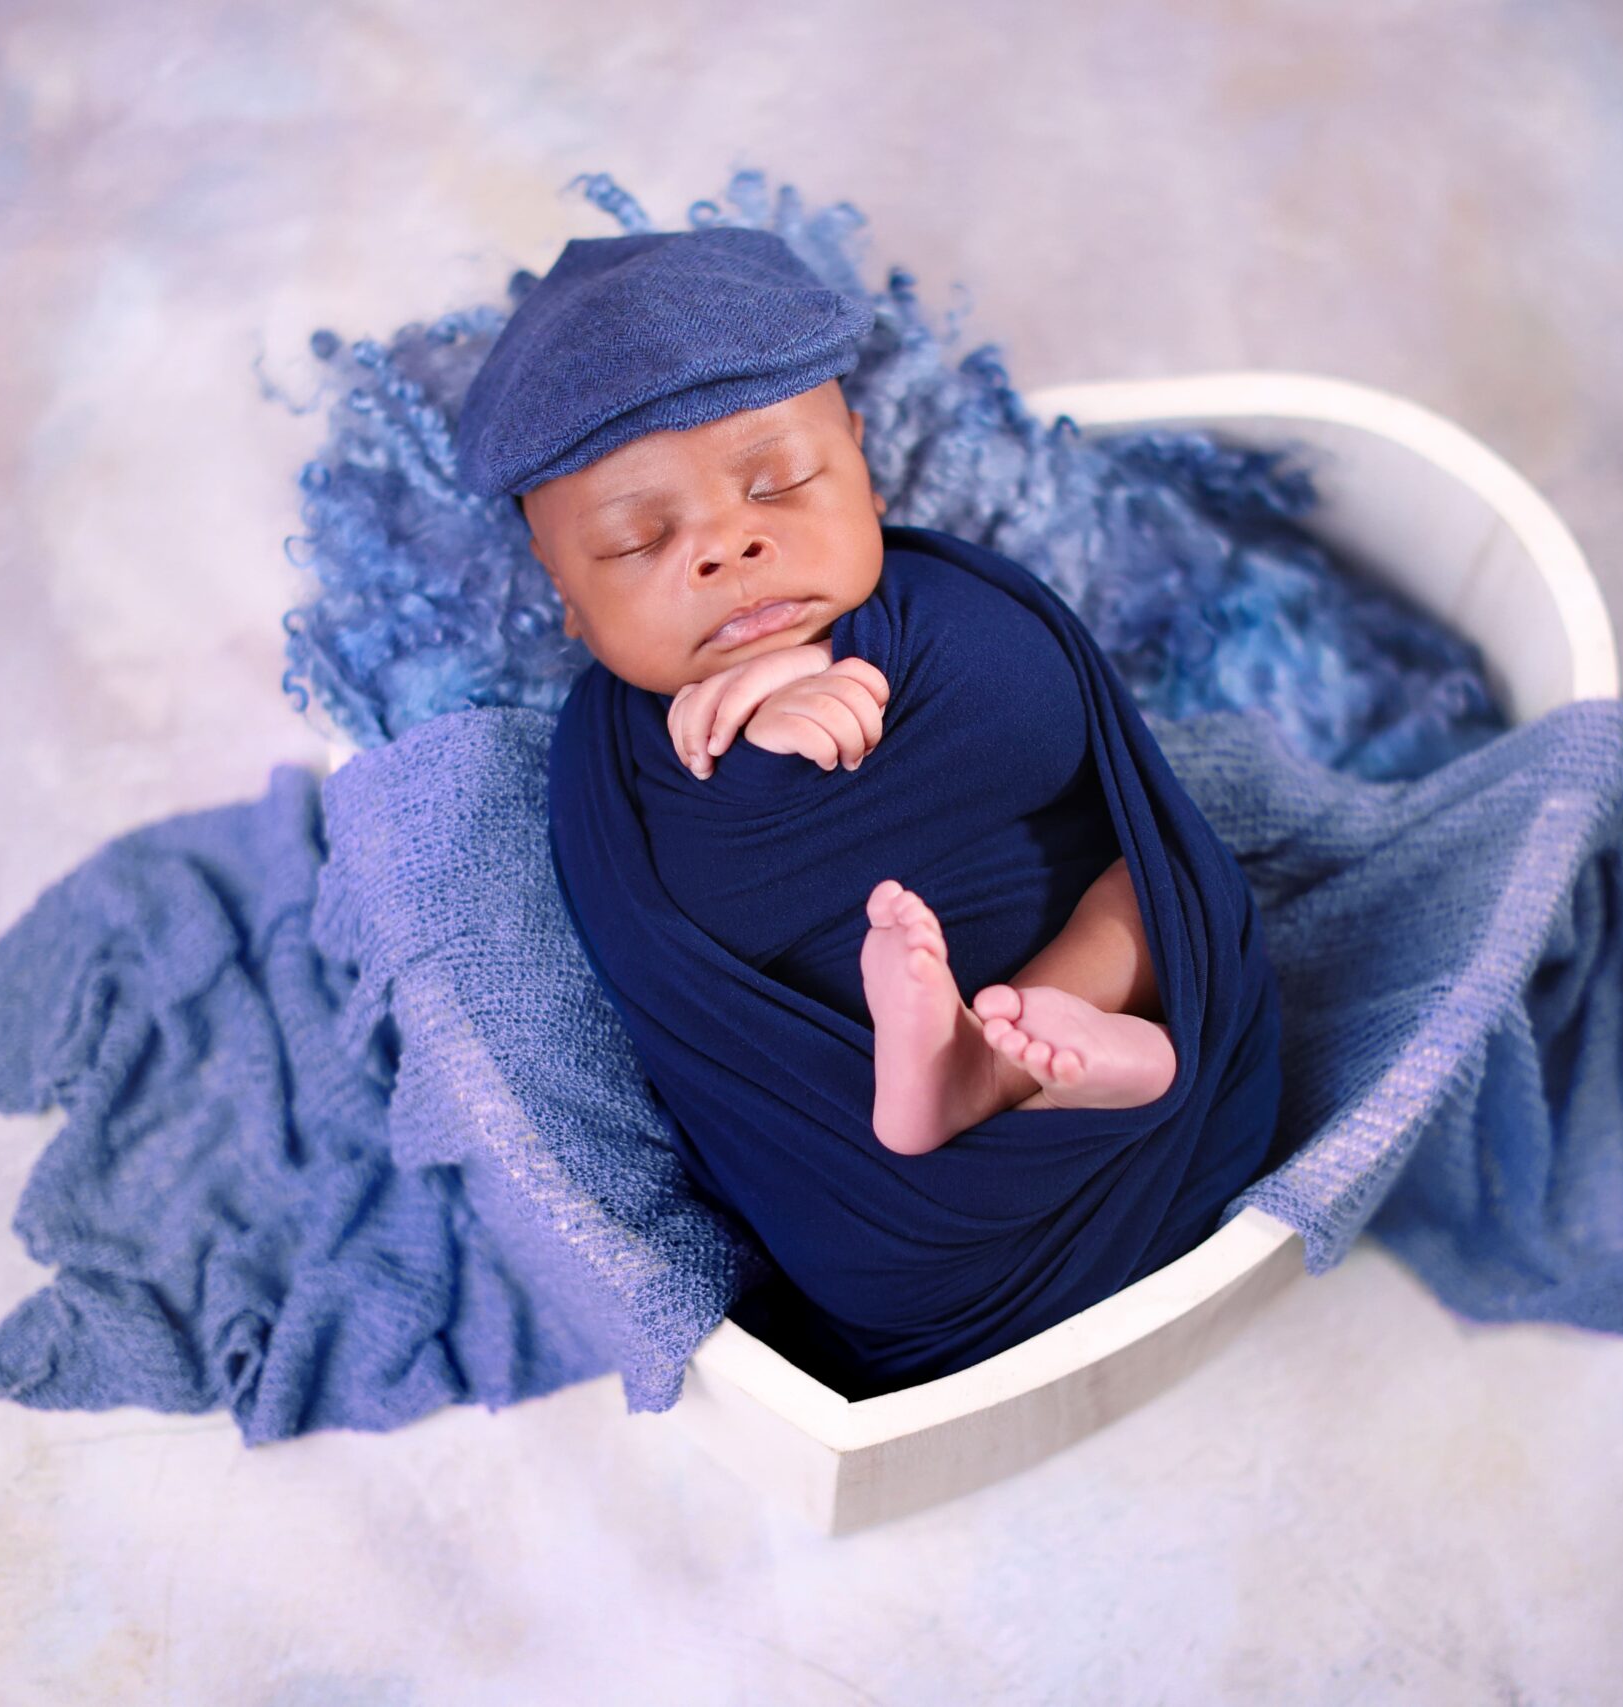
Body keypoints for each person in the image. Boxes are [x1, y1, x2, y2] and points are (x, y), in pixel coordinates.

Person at [453, 226, 1281, 1392]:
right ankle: (1007, 1071)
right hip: (904, 1218)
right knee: (1122, 908)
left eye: (778, 485)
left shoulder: (951, 603)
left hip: (1187, 1099)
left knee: (1161, 888)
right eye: (639, 541)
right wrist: (763, 758)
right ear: (567, 600)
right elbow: (689, 939)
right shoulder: (614, 769)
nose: (730, 546)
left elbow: (1042, 725)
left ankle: (1006, 1054)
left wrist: (849, 681)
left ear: (864, 468)